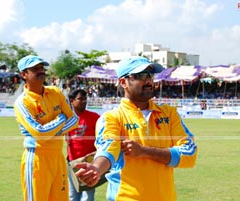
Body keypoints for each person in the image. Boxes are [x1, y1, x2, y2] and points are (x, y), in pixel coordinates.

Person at [75, 56, 198, 201]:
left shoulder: (169, 113)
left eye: (150, 75)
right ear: (123, 82)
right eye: (140, 75)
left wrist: (144, 151)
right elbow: (108, 150)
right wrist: (96, 168)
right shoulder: (112, 117)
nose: (148, 81)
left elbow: (190, 154)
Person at [13, 55, 79, 201]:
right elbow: (40, 133)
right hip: (37, 158)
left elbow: (74, 120)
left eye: (42, 68)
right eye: (35, 69)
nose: (41, 71)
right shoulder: (22, 102)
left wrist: (52, 132)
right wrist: (61, 118)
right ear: (24, 74)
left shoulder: (55, 92)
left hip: (58, 156)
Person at [66, 89, 100, 201]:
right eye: (80, 99)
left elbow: (101, 139)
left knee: (89, 195)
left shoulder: (95, 117)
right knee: (73, 194)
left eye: (85, 99)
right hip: (73, 163)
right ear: (72, 101)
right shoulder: (67, 118)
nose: (84, 101)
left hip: (89, 162)